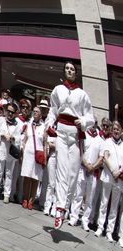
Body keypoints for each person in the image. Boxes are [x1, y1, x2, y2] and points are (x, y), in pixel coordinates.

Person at [46, 61, 95, 228]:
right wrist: (49, 125)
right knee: (61, 169)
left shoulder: (82, 94)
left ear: (76, 72)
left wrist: (82, 121)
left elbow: (91, 118)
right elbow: (53, 110)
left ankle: (65, 206)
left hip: (74, 135)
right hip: (61, 132)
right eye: (67, 68)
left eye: (72, 69)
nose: (69, 71)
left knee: (73, 174)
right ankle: (59, 208)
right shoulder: (58, 90)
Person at [93, 120, 123, 244]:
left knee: (114, 207)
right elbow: (104, 157)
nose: (116, 131)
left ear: (121, 132)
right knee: (104, 203)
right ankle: (100, 227)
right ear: (112, 131)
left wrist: (119, 172)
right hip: (108, 176)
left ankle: (109, 231)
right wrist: (113, 171)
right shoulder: (107, 142)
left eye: (118, 129)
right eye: (114, 129)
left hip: (118, 180)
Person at [70, 122, 103, 230]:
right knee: (78, 194)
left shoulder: (100, 139)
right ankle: (74, 217)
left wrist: (92, 167)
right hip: (82, 168)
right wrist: (86, 165)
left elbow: (101, 158)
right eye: (91, 123)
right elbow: (80, 151)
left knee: (90, 198)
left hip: (93, 172)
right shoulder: (84, 136)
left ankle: (85, 220)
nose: (93, 125)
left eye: (95, 124)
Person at [0, 101, 22, 203]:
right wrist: (3, 135)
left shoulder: (17, 124)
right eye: (8, 111)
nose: (10, 113)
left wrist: (13, 138)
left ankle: (7, 194)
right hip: (1, 148)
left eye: (12, 112)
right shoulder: (1, 119)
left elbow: (19, 138)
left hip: (10, 151)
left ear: (15, 113)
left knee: (9, 173)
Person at [20, 107, 46, 209]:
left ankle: (31, 200)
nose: (35, 113)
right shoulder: (29, 125)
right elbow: (25, 139)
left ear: (40, 115)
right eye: (34, 111)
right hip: (28, 154)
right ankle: (25, 198)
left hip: (38, 155)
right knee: (27, 176)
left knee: (35, 178)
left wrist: (45, 157)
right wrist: (22, 149)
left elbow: (45, 143)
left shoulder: (44, 127)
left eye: (37, 112)